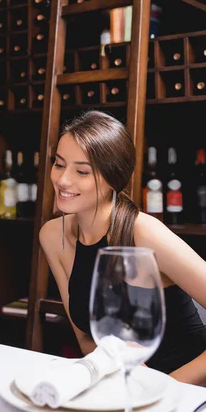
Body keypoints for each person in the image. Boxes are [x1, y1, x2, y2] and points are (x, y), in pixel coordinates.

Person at [40, 110, 206, 385]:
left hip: (188, 389)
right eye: (59, 164)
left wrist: (163, 388)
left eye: (81, 171)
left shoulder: (144, 232)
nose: (62, 180)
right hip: (127, 390)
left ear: (112, 179)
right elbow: (86, 339)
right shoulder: (52, 236)